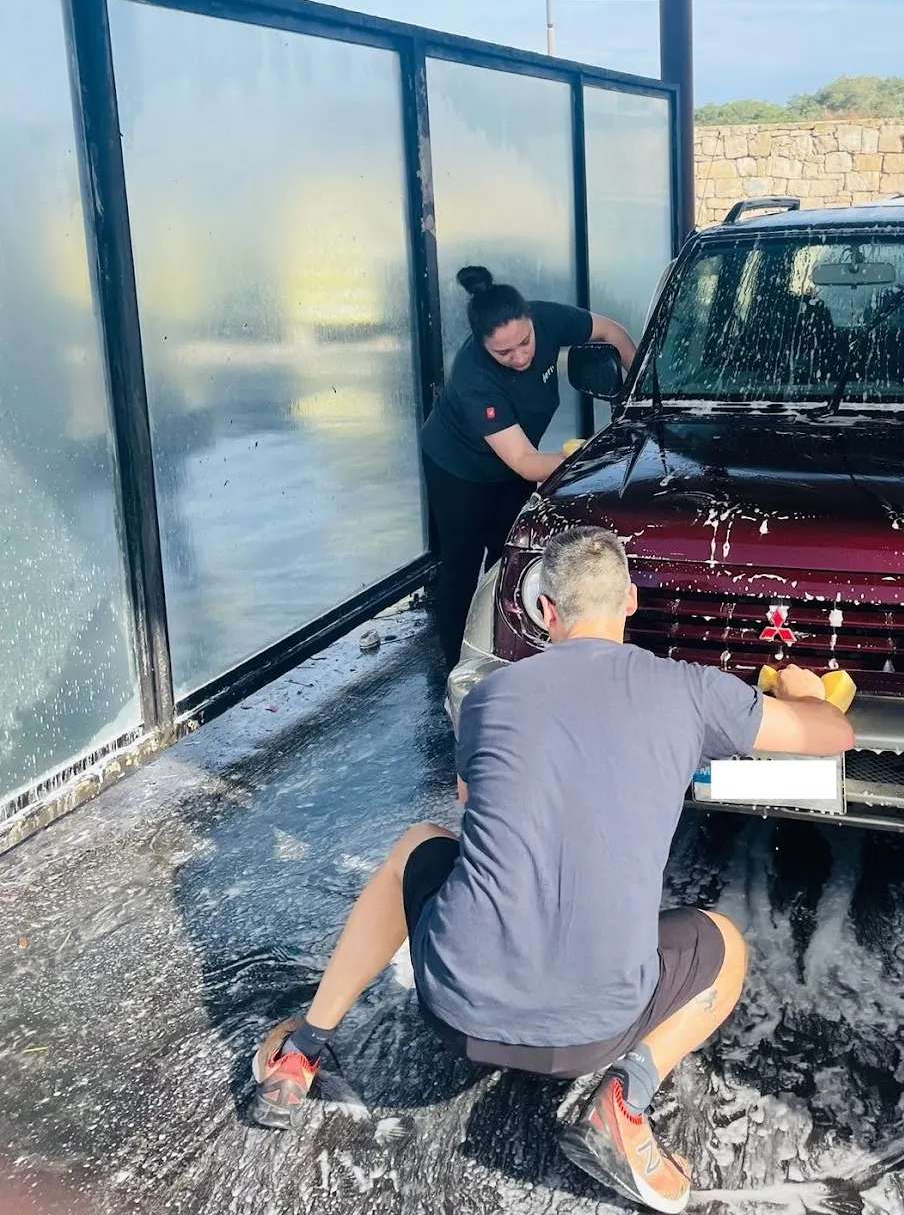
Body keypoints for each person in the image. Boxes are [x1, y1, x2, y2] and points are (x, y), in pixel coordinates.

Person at [251, 526, 855, 1213]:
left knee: (418, 845)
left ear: (546, 612)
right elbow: (831, 741)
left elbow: (477, 801)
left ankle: (301, 1051)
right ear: (629, 600)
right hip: (594, 1031)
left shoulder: (489, 699)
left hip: (454, 1009)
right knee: (726, 945)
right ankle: (624, 1098)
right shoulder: (689, 691)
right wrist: (808, 695)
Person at [421, 266, 637, 665]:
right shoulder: (473, 376)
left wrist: (640, 387)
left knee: (513, 549)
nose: (520, 356)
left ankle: (518, 651)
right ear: (483, 346)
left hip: (518, 457)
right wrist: (585, 457)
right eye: (504, 352)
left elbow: (612, 332)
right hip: (459, 467)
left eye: (526, 342)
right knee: (462, 565)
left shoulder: (547, 318)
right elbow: (523, 462)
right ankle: (460, 669)